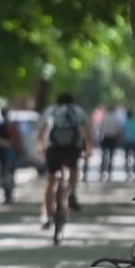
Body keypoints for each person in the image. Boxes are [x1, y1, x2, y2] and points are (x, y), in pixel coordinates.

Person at [37, 93, 93, 228]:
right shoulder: (78, 111)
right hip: (72, 149)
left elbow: (42, 132)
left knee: (50, 180)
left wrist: (41, 147)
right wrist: (88, 150)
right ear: (73, 101)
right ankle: (72, 191)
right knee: (73, 169)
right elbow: (86, 133)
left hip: (53, 149)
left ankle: (45, 214)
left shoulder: (50, 110)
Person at [0, 107, 21, 204]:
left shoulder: (3, 126)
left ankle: (8, 195)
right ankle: (9, 195)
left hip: (8, 154)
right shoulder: (8, 126)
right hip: (8, 154)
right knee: (8, 176)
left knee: (7, 176)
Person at [97, 104, 124, 182]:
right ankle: (109, 174)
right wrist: (119, 139)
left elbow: (100, 128)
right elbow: (119, 130)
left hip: (105, 138)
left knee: (104, 157)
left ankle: (102, 173)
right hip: (113, 139)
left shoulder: (104, 118)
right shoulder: (116, 119)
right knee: (111, 157)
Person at [121, 109, 135, 181]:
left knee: (126, 158)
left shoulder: (124, 123)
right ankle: (134, 174)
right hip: (133, 142)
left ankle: (127, 174)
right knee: (134, 158)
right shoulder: (134, 122)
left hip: (126, 142)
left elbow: (122, 133)